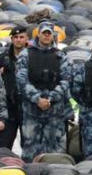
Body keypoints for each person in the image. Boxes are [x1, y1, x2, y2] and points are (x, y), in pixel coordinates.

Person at [13, 22, 70, 159]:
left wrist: (50, 99)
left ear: (52, 35)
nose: (46, 36)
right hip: (32, 110)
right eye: (43, 33)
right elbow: (21, 80)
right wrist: (37, 99)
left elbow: (66, 80)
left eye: (48, 33)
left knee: (54, 149)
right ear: (38, 34)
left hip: (55, 110)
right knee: (30, 148)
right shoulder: (26, 55)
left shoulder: (61, 56)